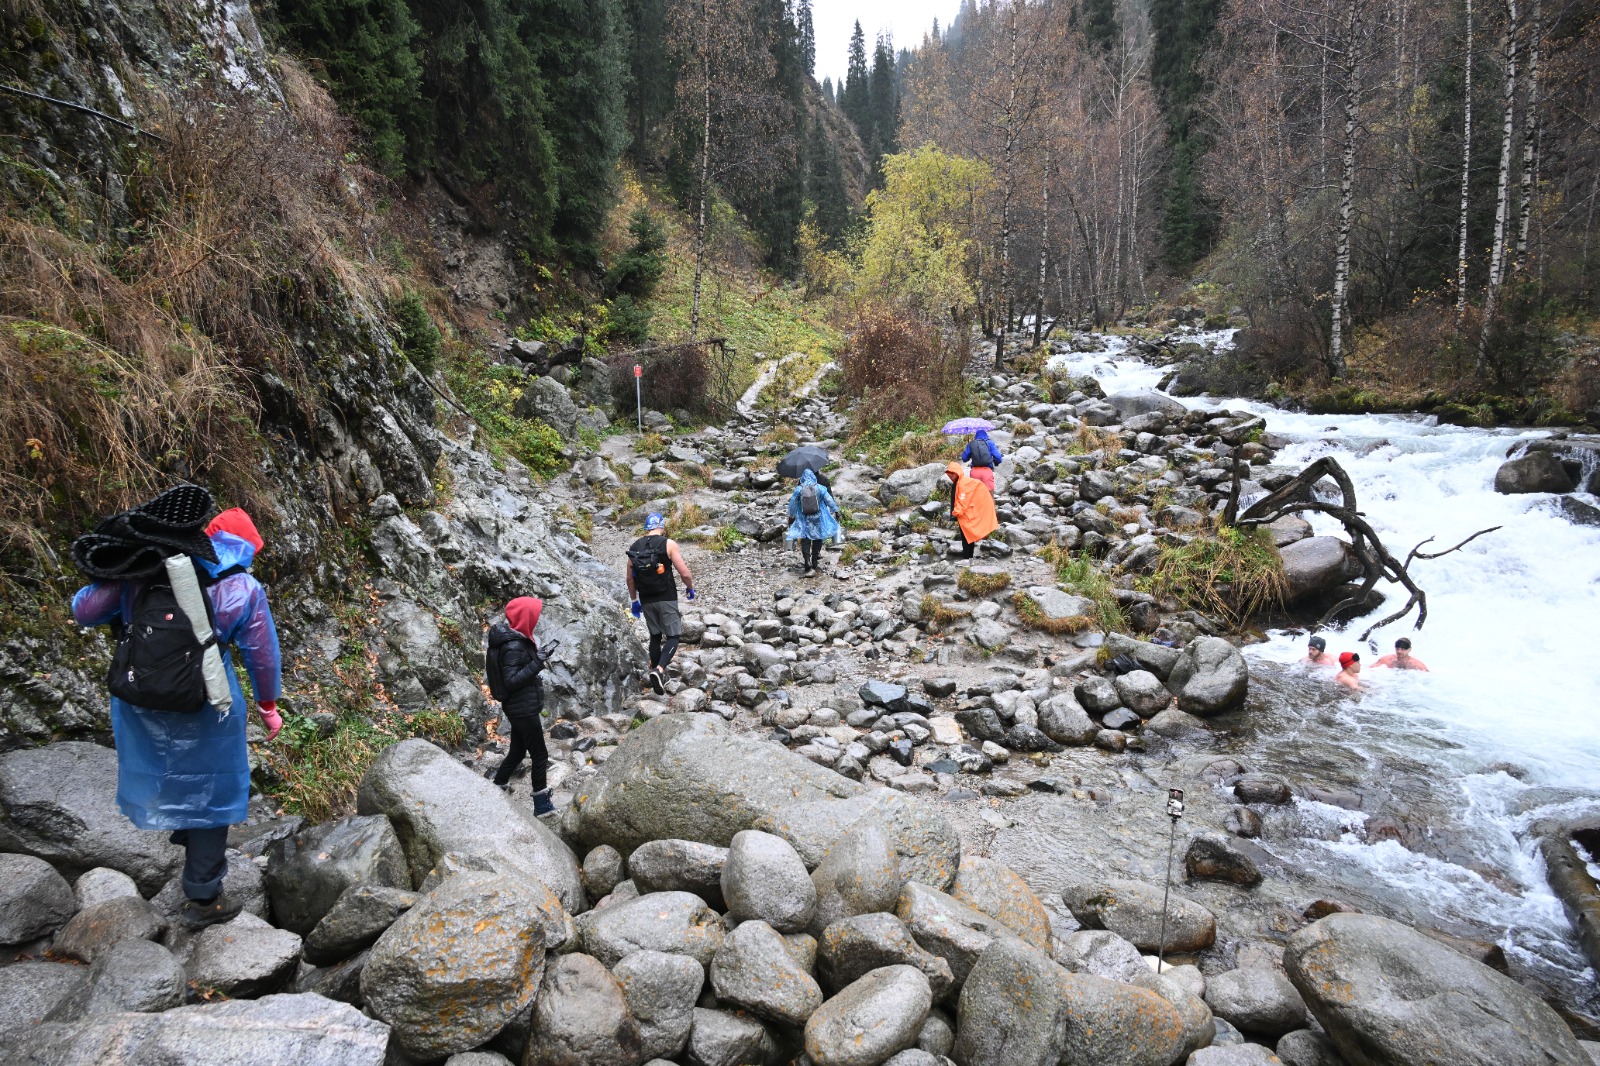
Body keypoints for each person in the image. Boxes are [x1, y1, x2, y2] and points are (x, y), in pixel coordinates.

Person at [71, 505, 281, 929]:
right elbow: (262, 656)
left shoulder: (145, 572)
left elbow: (84, 611)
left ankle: (185, 832)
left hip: (139, 700)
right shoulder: (242, 586)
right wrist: (267, 706)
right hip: (208, 700)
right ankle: (204, 896)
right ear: (248, 549)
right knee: (213, 790)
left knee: (163, 767)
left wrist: (122, 568)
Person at [485, 596, 555, 816]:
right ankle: (542, 805)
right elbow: (511, 681)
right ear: (526, 617)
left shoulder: (514, 640)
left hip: (519, 707)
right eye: (534, 615)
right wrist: (537, 662)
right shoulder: (514, 645)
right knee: (540, 755)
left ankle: (498, 786)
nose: (537, 619)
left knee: (517, 751)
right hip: (522, 709)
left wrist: (536, 658)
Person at [627, 512, 695, 695]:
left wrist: (634, 601)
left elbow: (630, 579)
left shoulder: (634, 547)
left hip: (646, 598)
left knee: (655, 636)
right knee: (673, 636)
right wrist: (690, 588)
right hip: (666, 596)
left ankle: (656, 674)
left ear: (646, 527)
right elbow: (684, 573)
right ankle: (659, 670)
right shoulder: (668, 544)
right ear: (661, 526)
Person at [786, 468, 842, 577]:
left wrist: (791, 516)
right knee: (818, 537)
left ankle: (807, 560)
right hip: (818, 517)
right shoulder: (820, 488)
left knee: (805, 539)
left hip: (804, 517)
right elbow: (829, 500)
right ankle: (815, 559)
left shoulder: (799, 489)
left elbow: (792, 504)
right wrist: (836, 511)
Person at [945, 461, 999, 559]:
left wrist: (956, 512)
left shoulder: (961, 484)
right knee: (969, 537)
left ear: (958, 472)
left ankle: (967, 560)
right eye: (949, 473)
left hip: (964, 515)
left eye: (953, 473)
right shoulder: (961, 482)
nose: (951, 476)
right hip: (967, 513)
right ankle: (969, 559)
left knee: (966, 538)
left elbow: (963, 499)